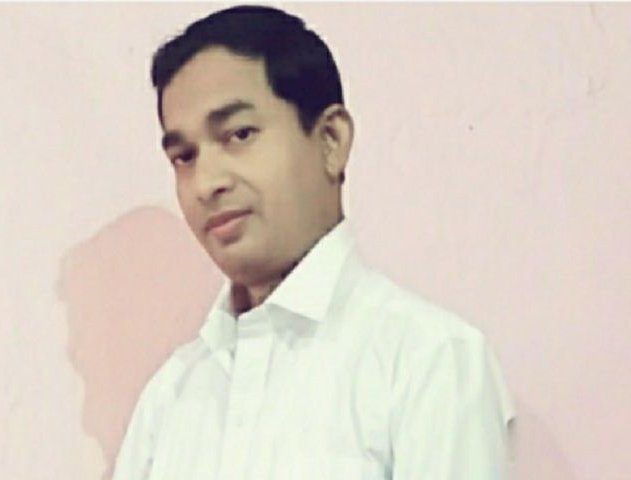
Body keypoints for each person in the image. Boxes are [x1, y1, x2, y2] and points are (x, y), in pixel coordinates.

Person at [112, 5, 516, 480]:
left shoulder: (429, 359)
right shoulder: (170, 396)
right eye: (184, 157)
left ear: (330, 140)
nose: (206, 182)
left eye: (239, 134)